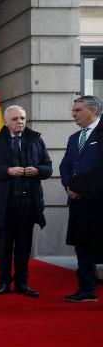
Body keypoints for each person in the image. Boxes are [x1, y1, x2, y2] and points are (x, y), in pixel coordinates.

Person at [0, 105, 52, 298]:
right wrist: (6, 171)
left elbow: (48, 167)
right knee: (5, 246)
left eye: (22, 118)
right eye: (15, 119)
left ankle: (22, 283)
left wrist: (37, 170)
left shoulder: (36, 139)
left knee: (24, 246)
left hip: (28, 203)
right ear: (6, 121)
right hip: (5, 204)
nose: (20, 122)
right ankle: (3, 282)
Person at [59, 96, 103, 303]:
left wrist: (86, 189)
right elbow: (65, 166)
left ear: (93, 110)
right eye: (73, 110)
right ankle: (87, 288)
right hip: (77, 202)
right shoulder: (74, 138)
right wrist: (69, 187)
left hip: (98, 201)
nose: (73, 114)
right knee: (81, 244)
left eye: (78, 110)